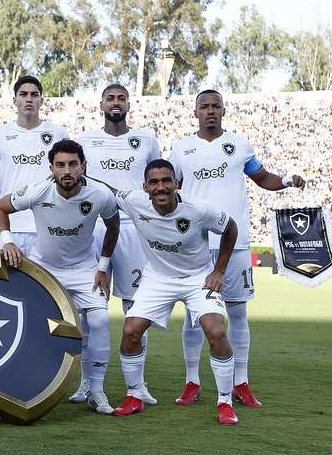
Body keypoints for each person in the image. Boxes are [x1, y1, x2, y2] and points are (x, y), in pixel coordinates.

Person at [168, 90, 305, 408]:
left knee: (238, 313)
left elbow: (262, 177)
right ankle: (192, 381)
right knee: (193, 315)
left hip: (236, 242)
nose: (210, 111)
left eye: (216, 106)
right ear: (195, 112)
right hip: (196, 243)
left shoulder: (240, 145)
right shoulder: (181, 148)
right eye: (204, 106)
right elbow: (170, 187)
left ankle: (241, 382)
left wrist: (286, 181)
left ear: (223, 111)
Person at [0, 139, 121, 414]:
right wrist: (8, 242)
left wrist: (102, 267)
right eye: (60, 165)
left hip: (84, 269)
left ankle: (95, 390)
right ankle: (31, 384)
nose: (67, 171)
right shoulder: (38, 191)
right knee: (34, 326)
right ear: (51, 169)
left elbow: (113, 225)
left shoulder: (101, 194)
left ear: (83, 166)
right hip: (45, 269)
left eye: (73, 164)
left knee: (99, 321)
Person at [109, 159, 240, 425]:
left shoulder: (200, 209)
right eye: (154, 182)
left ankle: (225, 402)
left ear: (177, 183)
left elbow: (230, 228)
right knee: (131, 330)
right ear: (145, 187)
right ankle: (134, 396)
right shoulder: (133, 201)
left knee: (216, 331)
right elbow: (107, 190)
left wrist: (218, 271)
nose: (161, 187)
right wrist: (78, 176)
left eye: (166, 180)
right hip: (157, 278)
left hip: (197, 277)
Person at [77, 83, 161, 405]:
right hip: (94, 227)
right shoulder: (86, 140)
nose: (116, 102)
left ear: (128, 104)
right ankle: (87, 383)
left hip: (132, 229)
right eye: (110, 98)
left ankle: (137, 384)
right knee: (90, 310)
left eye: (121, 98)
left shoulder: (146, 139)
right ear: (101, 105)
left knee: (136, 308)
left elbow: (155, 181)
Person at [0, 75, 69, 255]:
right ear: (15, 100)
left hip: (48, 226)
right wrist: (14, 190)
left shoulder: (58, 133)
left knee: (46, 275)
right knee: (4, 274)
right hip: (10, 225)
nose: (29, 99)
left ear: (41, 101)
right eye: (23, 94)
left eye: (34, 94)